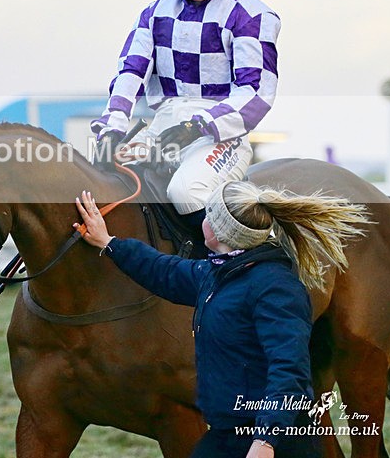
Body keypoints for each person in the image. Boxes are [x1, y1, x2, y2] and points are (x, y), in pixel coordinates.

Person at [73, 181, 370, 457]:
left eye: (209, 214)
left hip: (276, 441)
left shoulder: (276, 288)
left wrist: (266, 441)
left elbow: (289, 370)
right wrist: (109, 242)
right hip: (229, 434)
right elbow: (164, 271)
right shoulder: (218, 273)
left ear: (217, 231)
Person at [91, 0, 281, 252]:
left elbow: (256, 93)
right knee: (104, 180)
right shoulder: (154, 13)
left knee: (187, 190)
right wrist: (113, 126)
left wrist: (199, 126)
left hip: (220, 134)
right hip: (164, 126)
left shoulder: (251, 14)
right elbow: (130, 71)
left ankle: (243, 265)